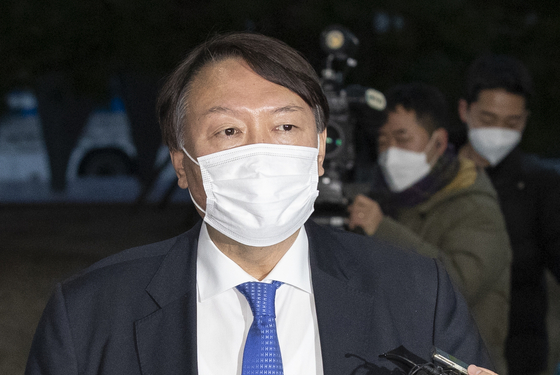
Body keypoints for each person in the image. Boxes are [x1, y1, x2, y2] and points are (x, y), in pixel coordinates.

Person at [26, 33, 494, 375]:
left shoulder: (416, 294)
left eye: (286, 128)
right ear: (182, 164)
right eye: (228, 131)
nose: (260, 152)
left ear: (320, 152)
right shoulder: (88, 314)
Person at [347, 82, 512, 374]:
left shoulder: (474, 205)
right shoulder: (384, 197)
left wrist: (381, 228)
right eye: (383, 140)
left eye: (402, 138)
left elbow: (460, 286)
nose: (390, 151)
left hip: (463, 364)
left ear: (437, 142)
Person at [458, 54, 560, 375]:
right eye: (488, 119)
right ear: (465, 110)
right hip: (439, 347)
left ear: (525, 120)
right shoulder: (430, 174)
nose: (499, 131)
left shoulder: (541, 184)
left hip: (517, 357)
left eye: (512, 122)